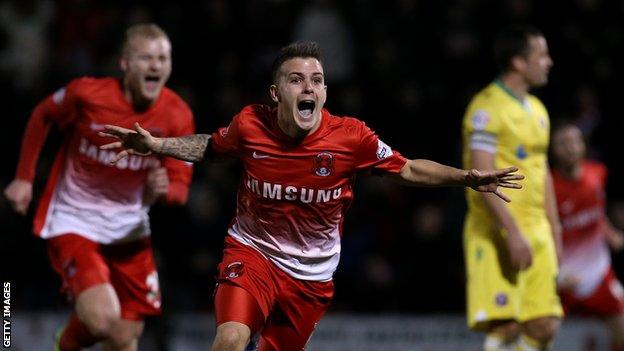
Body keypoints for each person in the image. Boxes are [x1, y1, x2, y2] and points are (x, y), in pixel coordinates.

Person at [100, 41, 523, 351]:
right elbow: (211, 147)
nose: (309, 87)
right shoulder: (251, 125)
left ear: (323, 93)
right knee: (229, 339)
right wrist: (157, 146)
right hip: (254, 254)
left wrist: (466, 177)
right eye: (297, 79)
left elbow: (407, 168)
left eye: (317, 80)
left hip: (312, 276)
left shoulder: (351, 137)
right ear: (276, 92)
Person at [3, 23, 194, 351]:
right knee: (103, 320)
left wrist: (162, 190)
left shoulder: (178, 116)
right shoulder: (87, 94)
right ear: (125, 64)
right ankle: (65, 342)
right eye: (146, 57)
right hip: (74, 220)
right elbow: (43, 114)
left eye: (163, 58)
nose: (155, 65)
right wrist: (23, 178)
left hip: (129, 228)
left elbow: (180, 192)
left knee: (125, 337)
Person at [461, 25, 563, 351]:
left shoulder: (540, 111)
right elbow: (481, 177)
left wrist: (555, 228)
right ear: (518, 62)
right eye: (541, 55)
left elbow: (543, 172)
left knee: (544, 325)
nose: (548, 62)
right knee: (506, 325)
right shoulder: (485, 109)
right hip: (497, 229)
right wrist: (512, 232)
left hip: (538, 228)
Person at [550, 122, 624, 351]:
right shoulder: (548, 186)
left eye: (575, 141)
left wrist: (609, 232)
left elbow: (597, 211)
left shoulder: (598, 172)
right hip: (561, 278)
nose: (570, 148)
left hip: (597, 273)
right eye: (563, 143)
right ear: (554, 151)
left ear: (583, 145)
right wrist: (557, 272)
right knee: (540, 333)